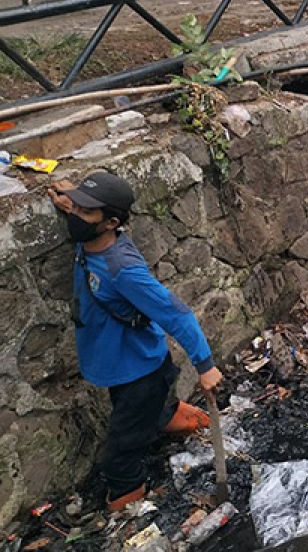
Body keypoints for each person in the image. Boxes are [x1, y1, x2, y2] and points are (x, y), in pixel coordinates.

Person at [48, 172, 224, 511]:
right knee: (153, 413)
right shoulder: (91, 238)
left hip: (140, 373)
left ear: (111, 223)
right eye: (78, 208)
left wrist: (205, 365)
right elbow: (80, 210)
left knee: (120, 457)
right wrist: (73, 199)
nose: (77, 216)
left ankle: (128, 509)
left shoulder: (123, 270)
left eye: (86, 213)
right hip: (121, 363)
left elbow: (178, 315)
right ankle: (175, 419)